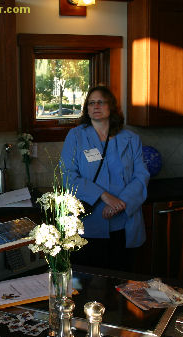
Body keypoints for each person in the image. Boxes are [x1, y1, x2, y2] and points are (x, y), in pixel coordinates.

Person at [60, 86, 150, 271]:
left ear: (111, 106)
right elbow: (67, 176)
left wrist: (120, 203)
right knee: (88, 283)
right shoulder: (76, 136)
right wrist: (104, 196)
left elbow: (141, 176)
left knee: (122, 280)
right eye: (91, 103)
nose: (96, 106)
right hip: (88, 223)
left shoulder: (131, 139)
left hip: (124, 223)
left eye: (101, 102)